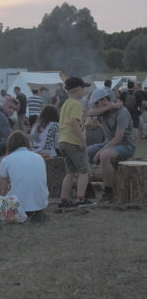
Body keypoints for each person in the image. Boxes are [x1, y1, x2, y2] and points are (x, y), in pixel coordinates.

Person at [87, 89, 136, 202]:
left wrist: (99, 152)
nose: (95, 106)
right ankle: (88, 189)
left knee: (104, 155)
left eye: (96, 103)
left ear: (104, 99)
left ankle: (109, 191)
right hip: (110, 144)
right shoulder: (106, 110)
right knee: (84, 153)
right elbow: (90, 113)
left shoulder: (122, 112)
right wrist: (109, 106)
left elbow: (118, 139)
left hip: (126, 146)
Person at [0, 131, 49, 221]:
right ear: (26, 142)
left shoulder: (6, 160)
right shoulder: (39, 157)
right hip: (40, 205)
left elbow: (2, 190)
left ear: (9, 145)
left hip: (16, 208)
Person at [58, 77, 91, 207]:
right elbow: (73, 122)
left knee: (70, 172)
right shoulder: (76, 104)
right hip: (73, 141)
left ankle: (64, 200)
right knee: (84, 171)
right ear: (78, 89)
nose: (84, 90)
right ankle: (80, 199)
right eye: (83, 88)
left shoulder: (66, 103)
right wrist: (82, 139)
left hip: (63, 141)